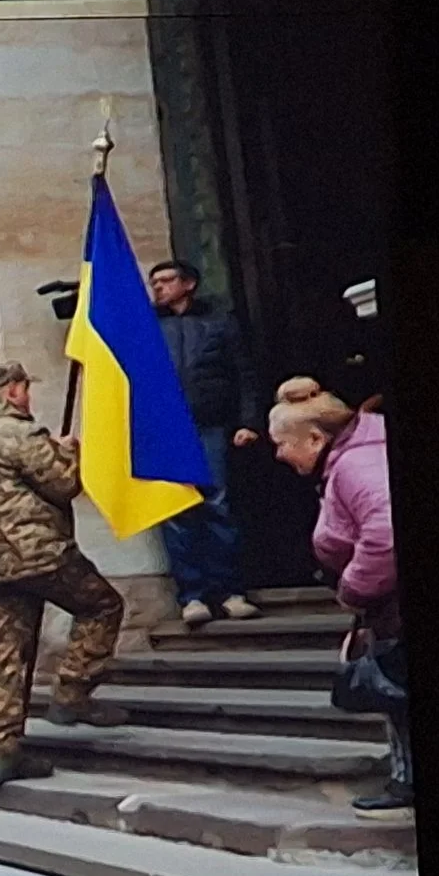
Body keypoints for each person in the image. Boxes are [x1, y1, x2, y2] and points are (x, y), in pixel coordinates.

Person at [0, 363, 130, 786]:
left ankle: (2, 751)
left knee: (4, 653)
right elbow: (64, 482)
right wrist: (68, 450)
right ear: (12, 391)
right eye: (25, 388)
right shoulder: (17, 432)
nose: (28, 397)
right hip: (36, 555)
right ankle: (71, 692)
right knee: (102, 606)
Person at [268, 377, 408, 819]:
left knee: (399, 696)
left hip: (393, 604)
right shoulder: (355, 456)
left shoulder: (354, 465)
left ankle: (406, 787)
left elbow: (386, 533)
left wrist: (354, 589)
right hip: (389, 604)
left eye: (282, 444)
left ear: (314, 438)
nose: (278, 454)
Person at [148, 259, 266, 628]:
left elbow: (244, 376)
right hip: (168, 432)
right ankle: (192, 595)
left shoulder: (219, 323)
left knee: (217, 506)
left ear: (189, 284)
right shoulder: (150, 327)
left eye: (166, 281)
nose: (159, 288)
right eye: (154, 283)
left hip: (211, 426)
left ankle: (229, 590)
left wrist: (249, 421)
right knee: (175, 513)